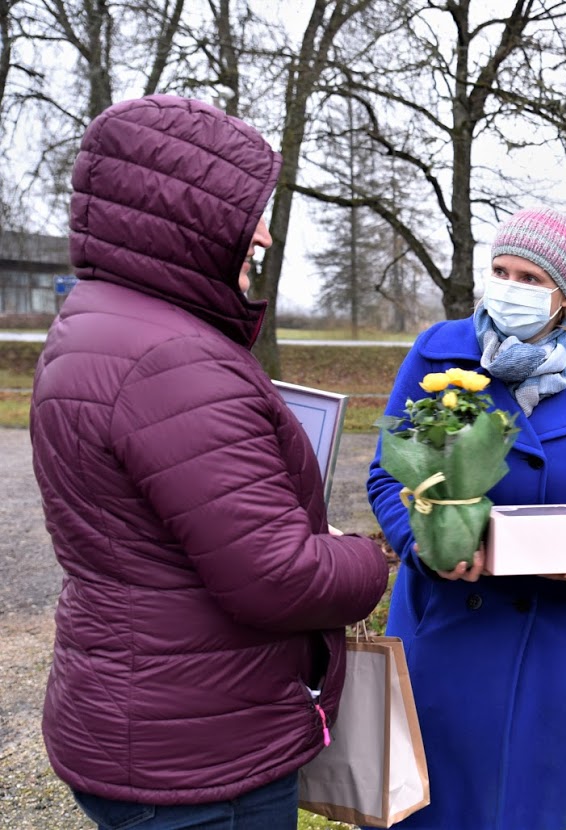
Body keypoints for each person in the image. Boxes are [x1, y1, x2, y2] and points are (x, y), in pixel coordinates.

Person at [29, 95, 391, 829]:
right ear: (188, 217)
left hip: (139, 715)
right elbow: (276, 577)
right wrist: (366, 559)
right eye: (248, 210)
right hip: (197, 755)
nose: (262, 231)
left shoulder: (99, 322)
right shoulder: (173, 362)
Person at [368, 206, 566, 830]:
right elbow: (387, 474)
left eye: (529, 277)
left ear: (563, 296)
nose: (509, 288)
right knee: (438, 810)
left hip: (551, 633)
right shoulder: (439, 356)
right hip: (448, 626)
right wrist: (425, 543)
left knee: (530, 812)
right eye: (500, 271)